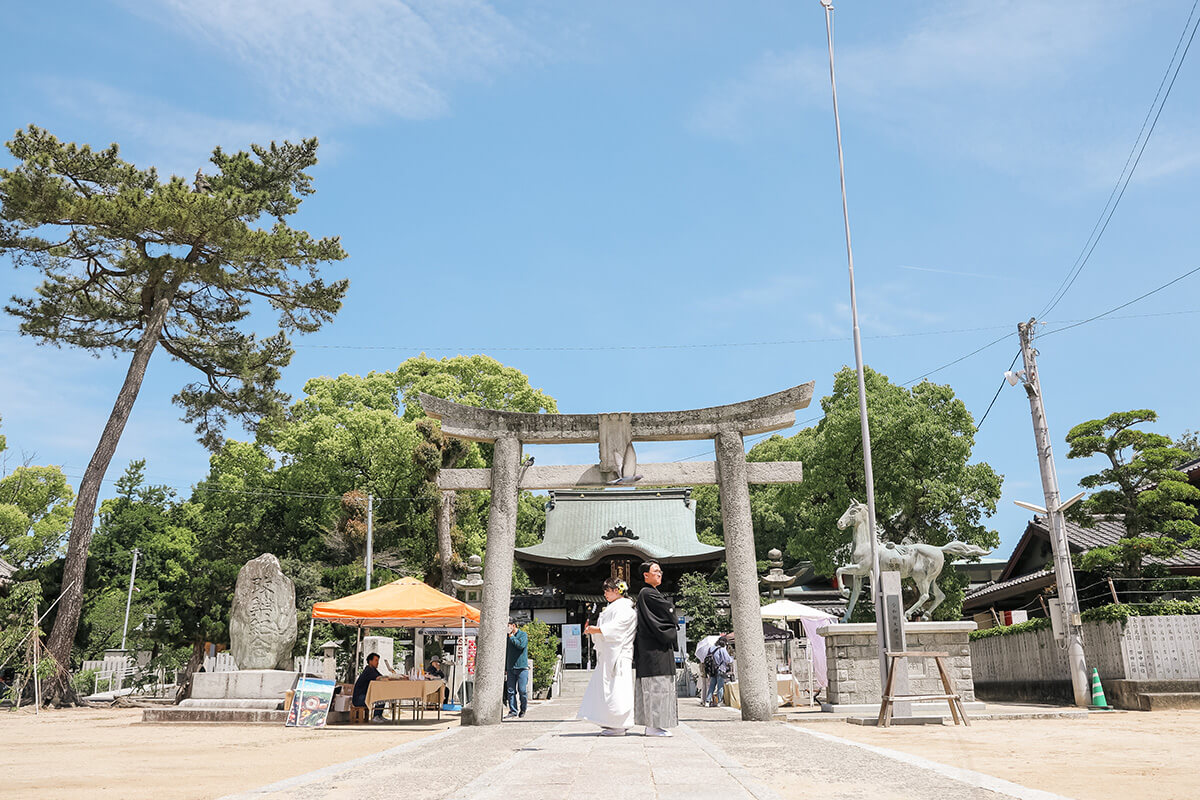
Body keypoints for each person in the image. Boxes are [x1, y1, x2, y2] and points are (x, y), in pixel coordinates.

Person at [577, 577, 637, 736]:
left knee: (617, 688)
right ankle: (612, 722)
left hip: (618, 654)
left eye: (607, 590)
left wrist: (595, 630)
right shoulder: (615, 607)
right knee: (608, 688)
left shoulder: (625, 608)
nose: (604, 593)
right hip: (610, 653)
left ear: (617, 590)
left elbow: (617, 629)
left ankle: (618, 723)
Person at [634, 560, 680, 736]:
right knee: (656, 687)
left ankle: (655, 725)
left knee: (659, 686)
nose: (659, 574)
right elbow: (667, 609)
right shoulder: (647, 593)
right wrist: (670, 610)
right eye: (655, 571)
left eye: (660, 571)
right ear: (646, 575)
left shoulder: (651, 593)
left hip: (656, 647)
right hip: (653, 650)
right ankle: (653, 725)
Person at [352, 652, 391, 722]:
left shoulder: (373, 670)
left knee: (382, 697)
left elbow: (382, 677)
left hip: (366, 696)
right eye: (376, 660)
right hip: (359, 698)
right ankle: (375, 716)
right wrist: (391, 677)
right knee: (380, 699)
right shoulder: (368, 670)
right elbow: (379, 678)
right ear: (370, 661)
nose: (378, 663)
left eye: (378, 661)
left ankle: (379, 715)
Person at [505, 617, 529, 719]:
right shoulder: (507, 637)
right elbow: (506, 652)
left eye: (508, 626)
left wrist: (511, 636)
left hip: (522, 667)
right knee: (510, 690)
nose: (507, 628)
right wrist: (506, 667)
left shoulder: (522, 635)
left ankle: (523, 709)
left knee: (522, 690)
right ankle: (513, 710)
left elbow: (520, 645)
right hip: (510, 667)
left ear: (513, 625)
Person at [704, 636, 733, 707]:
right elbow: (727, 660)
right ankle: (719, 701)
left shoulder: (711, 649)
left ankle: (707, 701)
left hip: (712, 670)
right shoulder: (722, 649)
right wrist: (731, 658)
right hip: (720, 669)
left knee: (711, 686)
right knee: (720, 686)